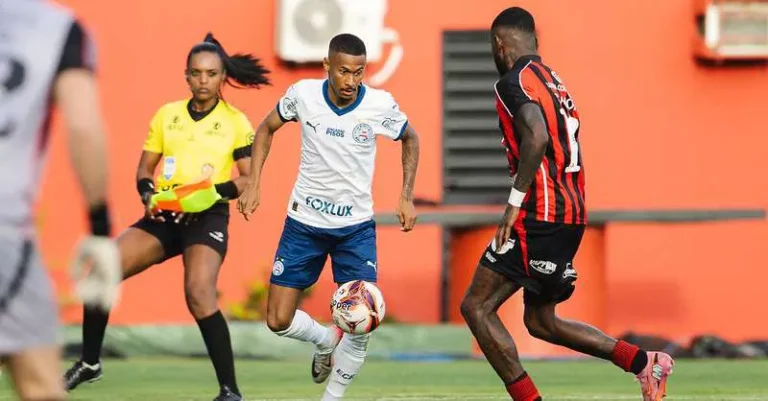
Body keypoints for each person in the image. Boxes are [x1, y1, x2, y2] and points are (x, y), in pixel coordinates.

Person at [459, 7, 674, 401]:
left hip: (539, 214)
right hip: (570, 214)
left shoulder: (513, 82)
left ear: (499, 45)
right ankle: (644, 362)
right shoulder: (553, 81)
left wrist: (514, 203)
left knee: (476, 307)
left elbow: (537, 136)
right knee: (541, 321)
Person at [63, 32, 270, 401]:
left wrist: (213, 193)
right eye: (196, 73)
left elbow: (247, 178)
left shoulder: (235, 121)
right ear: (186, 76)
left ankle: (230, 391)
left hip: (207, 217)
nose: (203, 80)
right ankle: (90, 362)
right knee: (102, 272)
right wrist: (147, 193)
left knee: (199, 293)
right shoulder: (167, 115)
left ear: (223, 77)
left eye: (211, 73)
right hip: (166, 214)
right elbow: (145, 169)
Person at [237, 33, 420, 400]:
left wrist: (405, 196)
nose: (351, 80)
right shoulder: (303, 95)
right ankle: (324, 340)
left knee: (362, 322)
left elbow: (410, 138)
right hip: (304, 224)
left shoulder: (379, 105)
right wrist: (253, 183)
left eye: (358, 72)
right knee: (277, 320)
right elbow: (266, 128)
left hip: (355, 230)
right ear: (327, 66)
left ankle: (331, 396)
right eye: (343, 71)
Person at [0, 1, 121, 400]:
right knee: (40, 385)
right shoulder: (58, 28)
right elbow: (83, 126)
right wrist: (100, 228)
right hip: (5, 231)